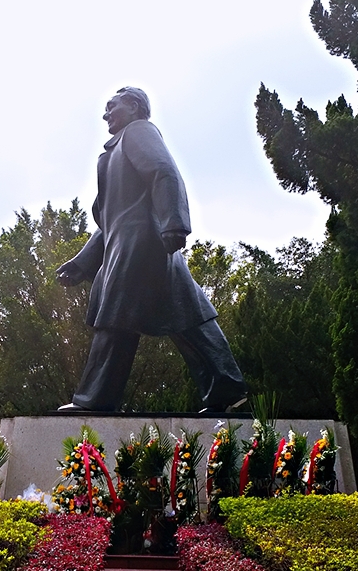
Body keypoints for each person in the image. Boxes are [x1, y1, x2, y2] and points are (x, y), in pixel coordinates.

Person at [56, 86, 247, 413]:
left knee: (115, 317)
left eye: (111, 106)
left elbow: (164, 170)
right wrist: (82, 263)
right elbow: (108, 220)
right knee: (187, 314)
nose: (106, 114)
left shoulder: (138, 131)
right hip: (133, 240)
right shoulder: (115, 150)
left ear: (133, 105)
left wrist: (174, 221)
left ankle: (95, 400)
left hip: (141, 242)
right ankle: (228, 391)